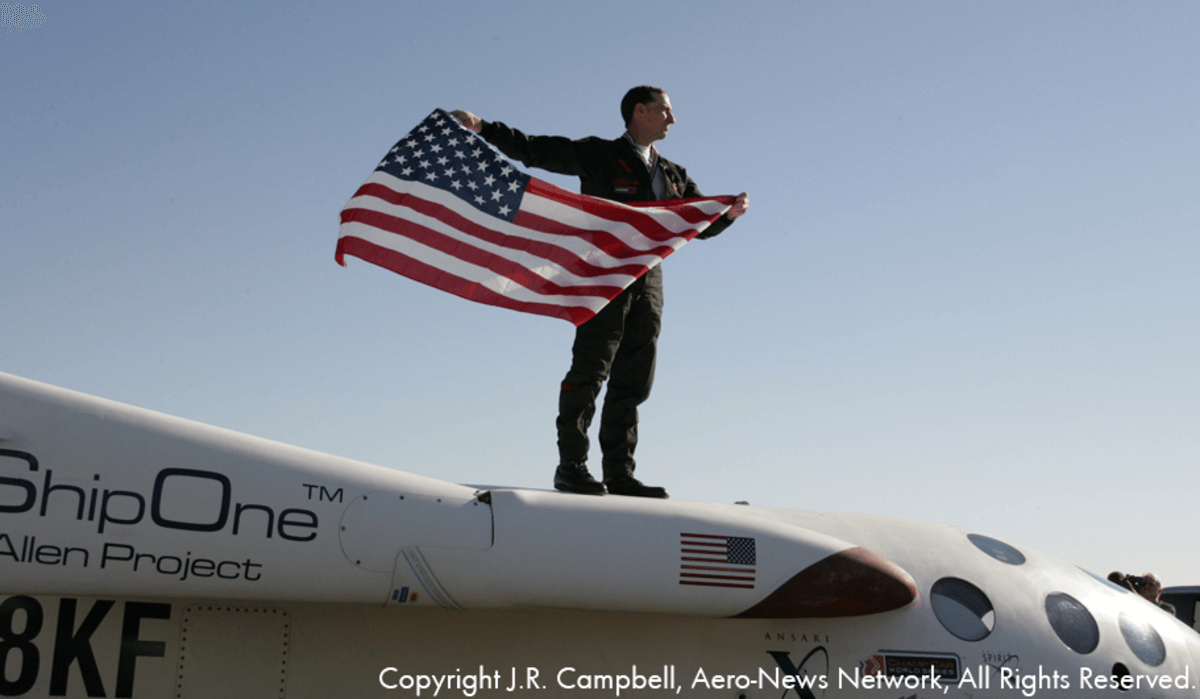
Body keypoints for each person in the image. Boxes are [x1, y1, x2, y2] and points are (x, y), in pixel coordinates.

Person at [453, 86, 749, 498]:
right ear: (639, 112)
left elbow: (699, 225)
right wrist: (483, 127)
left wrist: (728, 214)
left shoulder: (674, 175)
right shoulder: (599, 155)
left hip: (649, 286)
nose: (673, 119)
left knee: (634, 381)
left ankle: (620, 475)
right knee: (590, 371)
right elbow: (537, 149)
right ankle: (571, 467)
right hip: (602, 280)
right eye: (665, 110)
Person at [1108, 571, 1177, 615]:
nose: (1146, 586)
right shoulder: (1131, 604)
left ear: (1159, 590)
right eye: (1143, 583)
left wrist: (1133, 592)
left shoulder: (1167, 608)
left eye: (1151, 584)